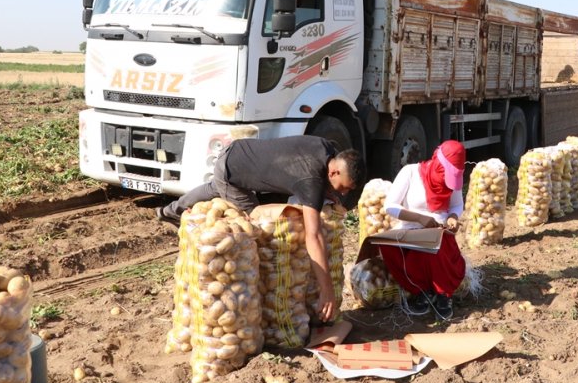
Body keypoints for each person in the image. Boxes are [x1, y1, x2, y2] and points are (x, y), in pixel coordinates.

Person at [156, 135, 365, 322]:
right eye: (343, 187)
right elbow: (314, 235)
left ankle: (170, 211)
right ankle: (176, 212)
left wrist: (327, 192)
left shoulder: (326, 147)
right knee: (257, 222)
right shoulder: (311, 179)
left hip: (239, 153)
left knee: (218, 186)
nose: (343, 194)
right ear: (334, 171)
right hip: (232, 168)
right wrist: (326, 289)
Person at [380, 140, 467, 321]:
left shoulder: (454, 182)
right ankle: (422, 291)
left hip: (438, 230)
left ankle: (443, 294)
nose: (446, 183)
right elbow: (390, 206)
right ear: (437, 163)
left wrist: (452, 218)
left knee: (434, 249)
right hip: (410, 227)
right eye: (445, 176)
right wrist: (419, 218)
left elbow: (457, 205)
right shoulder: (410, 173)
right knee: (388, 248)